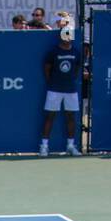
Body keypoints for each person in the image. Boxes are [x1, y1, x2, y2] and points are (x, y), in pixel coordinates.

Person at [39, 25, 82, 156]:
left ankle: (70, 145)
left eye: (69, 36)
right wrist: (52, 82)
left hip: (71, 90)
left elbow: (76, 69)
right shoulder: (53, 52)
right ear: (61, 36)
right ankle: (44, 146)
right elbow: (46, 68)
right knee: (50, 117)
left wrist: (70, 81)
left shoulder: (76, 52)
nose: (67, 38)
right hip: (54, 89)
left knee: (70, 117)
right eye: (65, 35)